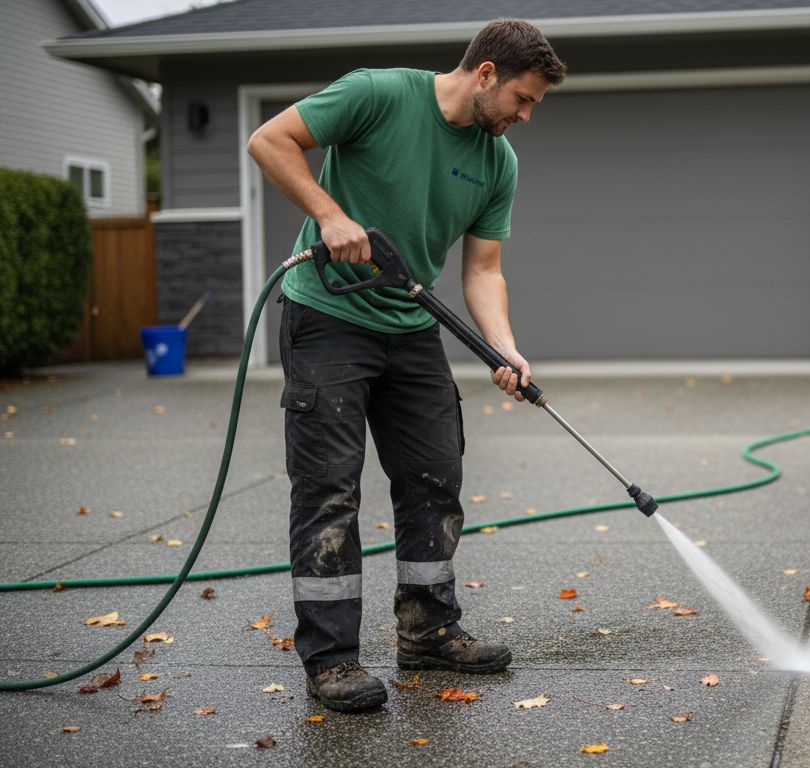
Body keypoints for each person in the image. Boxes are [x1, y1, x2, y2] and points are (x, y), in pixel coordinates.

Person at [246, 19, 566, 713]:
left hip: (411, 324)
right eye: (522, 99)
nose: (525, 116)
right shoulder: (377, 94)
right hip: (328, 313)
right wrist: (330, 215)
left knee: (435, 477)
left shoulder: (498, 162)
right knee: (329, 488)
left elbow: (483, 270)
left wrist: (503, 347)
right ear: (486, 73)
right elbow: (269, 139)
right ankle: (332, 658)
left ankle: (427, 629)